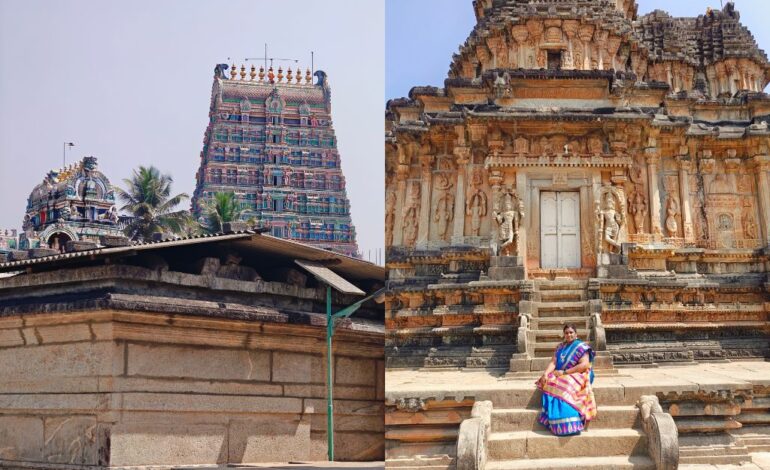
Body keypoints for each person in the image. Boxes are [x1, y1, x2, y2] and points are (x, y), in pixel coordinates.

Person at [536, 323, 597, 435]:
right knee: (549, 380)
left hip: (578, 373)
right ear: (564, 334)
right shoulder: (560, 347)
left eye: (571, 332)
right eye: (566, 333)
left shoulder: (581, 347)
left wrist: (564, 372)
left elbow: (584, 365)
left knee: (566, 384)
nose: (568, 335)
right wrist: (545, 374)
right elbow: (554, 362)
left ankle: (571, 422)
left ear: (576, 334)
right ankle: (555, 419)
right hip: (562, 373)